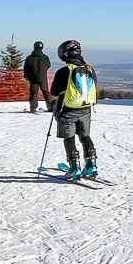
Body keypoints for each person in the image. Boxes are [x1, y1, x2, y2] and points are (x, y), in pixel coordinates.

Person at [50, 40, 98, 180]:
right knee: (85, 136)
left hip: (68, 110)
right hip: (86, 109)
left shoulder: (64, 71)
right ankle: (91, 165)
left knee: (69, 138)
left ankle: (74, 167)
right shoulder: (89, 69)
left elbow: (54, 91)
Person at [23, 40, 54, 113]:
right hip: (43, 78)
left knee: (33, 93)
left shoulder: (29, 58)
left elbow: (26, 68)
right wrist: (43, 71)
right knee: (46, 92)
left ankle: (33, 108)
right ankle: (50, 107)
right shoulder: (45, 57)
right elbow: (48, 65)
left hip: (33, 78)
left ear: (34, 47)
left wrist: (27, 76)